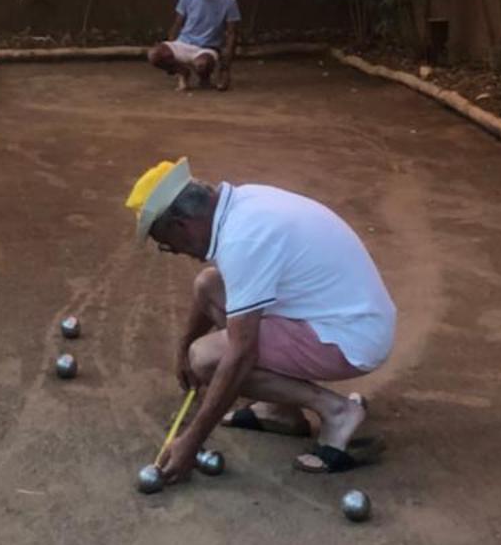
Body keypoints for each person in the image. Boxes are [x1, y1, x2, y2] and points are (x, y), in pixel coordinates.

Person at [125, 158, 396, 483]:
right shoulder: (241, 205)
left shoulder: (243, 240)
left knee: (208, 359)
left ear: (181, 225)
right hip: (341, 314)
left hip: (352, 337)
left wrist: (191, 442)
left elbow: (242, 355)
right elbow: (212, 291)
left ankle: (337, 412)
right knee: (209, 285)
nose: (174, 251)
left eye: (166, 244)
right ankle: (282, 411)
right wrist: (181, 348)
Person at [147, 0, 241, 92]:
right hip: (184, 42)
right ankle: (183, 72)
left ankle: (205, 78)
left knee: (202, 65)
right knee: (154, 54)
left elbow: (232, 34)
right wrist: (171, 49)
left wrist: (225, 68)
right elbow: (178, 23)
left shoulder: (229, 2)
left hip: (207, 48)